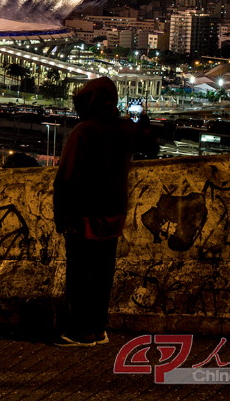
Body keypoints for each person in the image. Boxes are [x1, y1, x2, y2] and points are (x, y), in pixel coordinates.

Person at [52, 77, 158, 347]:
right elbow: (151, 146)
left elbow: (66, 178)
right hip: (113, 214)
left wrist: (63, 216)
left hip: (85, 213)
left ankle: (81, 331)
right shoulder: (124, 129)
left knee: (80, 274)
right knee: (103, 273)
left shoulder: (83, 131)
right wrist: (141, 120)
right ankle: (98, 328)